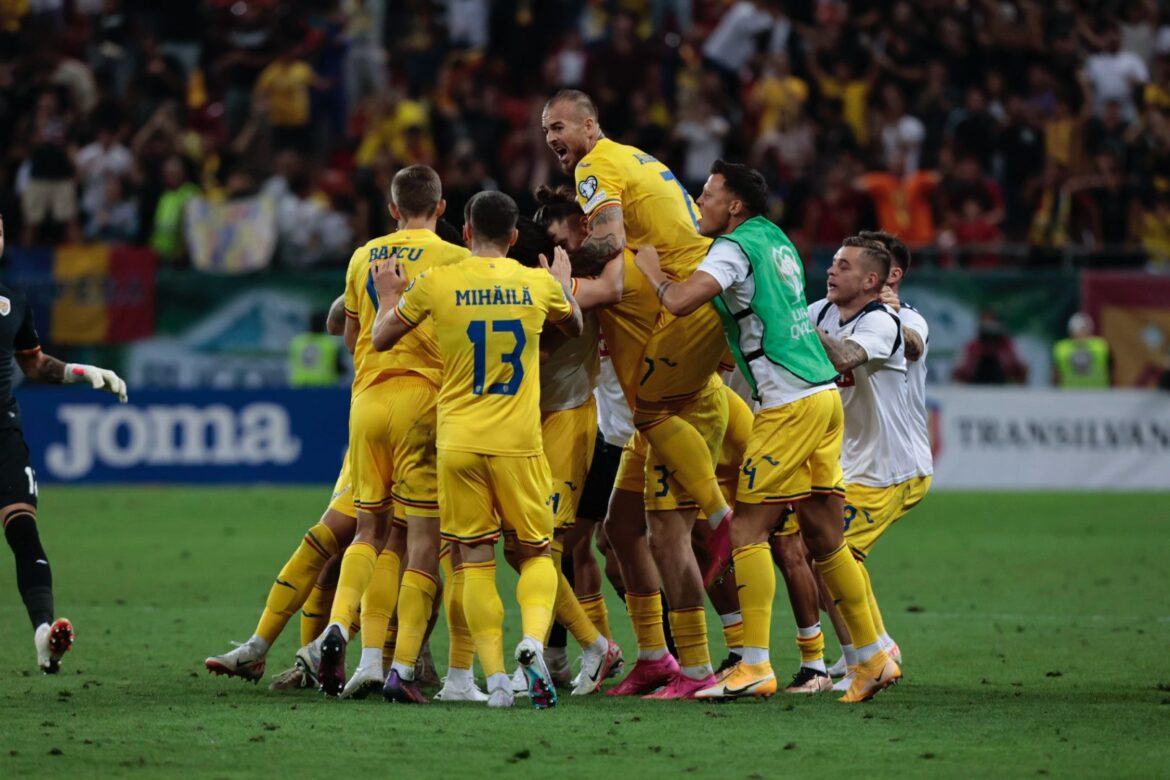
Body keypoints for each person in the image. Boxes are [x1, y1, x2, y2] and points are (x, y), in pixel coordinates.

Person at [634, 163, 898, 703]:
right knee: (826, 536)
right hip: (824, 396)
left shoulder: (731, 250)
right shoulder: (775, 238)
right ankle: (871, 657)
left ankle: (752, 664)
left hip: (788, 403)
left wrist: (654, 272)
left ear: (733, 207)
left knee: (749, 531)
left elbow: (682, 302)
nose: (697, 203)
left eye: (706, 195)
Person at [542, 89, 732, 699]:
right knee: (619, 531)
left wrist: (559, 276)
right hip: (689, 325)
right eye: (545, 131)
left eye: (560, 126)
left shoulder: (598, 167)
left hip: (672, 349)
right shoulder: (635, 160)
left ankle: (723, 657)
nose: (552, 138)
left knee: (676, 533)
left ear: (591, 125)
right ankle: (656, 657)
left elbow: (614, 245)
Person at [370, 190, 584, 709]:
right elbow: (575, 327)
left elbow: (380, 338)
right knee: (536, 553)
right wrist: (561, 287)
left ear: (465, 232)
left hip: (459, 443)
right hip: (518, 443)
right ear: (514, 238)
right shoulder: (536, 284)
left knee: (474, 561)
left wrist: (390, 299)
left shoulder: (438, 283)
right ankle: (532, 641)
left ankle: (497, 682)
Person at [318, 165, 470, 702]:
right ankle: (399, 665)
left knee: (368, 533)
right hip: (424, 404)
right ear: (442, 207)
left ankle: (341, 628)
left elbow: (353, 340)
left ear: (392, 209)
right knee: (418, 542)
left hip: (365, 403)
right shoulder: (458, 259)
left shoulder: (365, 257)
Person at [0, 213, 126, 672]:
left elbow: (33, 364)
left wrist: (80, 372)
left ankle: (43, 635)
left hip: (3, 432)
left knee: (22, 526)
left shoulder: (12, 303)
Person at [504, 217, 622, 696]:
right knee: (517, 549)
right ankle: (595, 645)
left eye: (567, 239)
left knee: (547, 547)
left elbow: (608, 292)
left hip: (569, 419)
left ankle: (537, 651)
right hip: (522, 423)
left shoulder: (578, 287)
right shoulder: (522, 286)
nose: (565, 248)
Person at [806, 235, 921, 699]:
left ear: (880, 277)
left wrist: (791, 324)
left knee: (837, 555)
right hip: (848, 461)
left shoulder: (898, 319)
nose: (832, 270)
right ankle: (870, 650)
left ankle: (869, 654)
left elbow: (901, 346)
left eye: (845, 265)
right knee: (826, 554)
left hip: (890, 465)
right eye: (833, 262)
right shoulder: (822, 311)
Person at [952, 311, 1029, 385]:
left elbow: (1021, 369)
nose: (989, 330)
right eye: (986, 326)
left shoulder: (1009, 346)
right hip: (975, 388)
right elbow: (958, 371)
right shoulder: (972, 347)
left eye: (992, 326)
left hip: (1003, 389)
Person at [1052, 313, 1112, 389]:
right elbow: (1056, 374)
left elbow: (1111, 371)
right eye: (1076, 330)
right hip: (1070, 395)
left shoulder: (1101, 347)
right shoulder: (1062, 348)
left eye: (1083, 330)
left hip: (1097, 394)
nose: (1080, 333)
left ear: (1089, 330)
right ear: (1071, 331)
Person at [288, 310, 344, 387]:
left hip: (299, 386)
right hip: (324, 388)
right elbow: (339, 368)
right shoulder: (330, 344)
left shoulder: (298, 342)